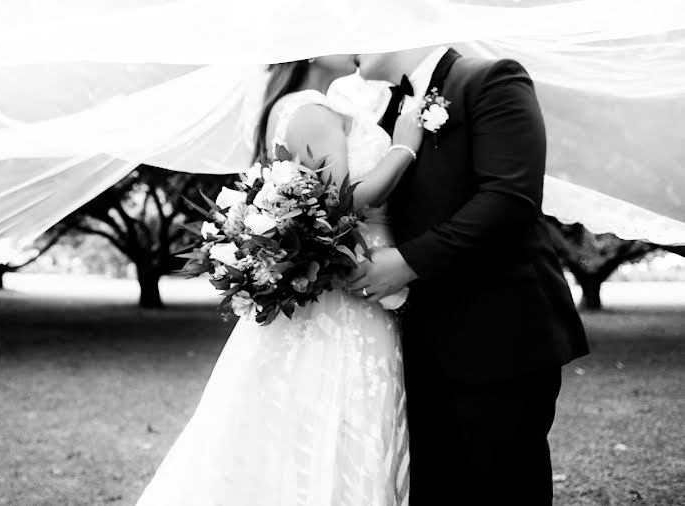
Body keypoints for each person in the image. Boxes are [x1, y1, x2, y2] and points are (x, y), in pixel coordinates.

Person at [136, 54, 424, 506]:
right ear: (307, 45)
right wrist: (404, 147)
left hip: (342, 291)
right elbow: (341, 206)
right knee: (336, 422)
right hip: (344, 309)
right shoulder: (312, 111)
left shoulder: (289, 107)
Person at [348, 46, 590, 505]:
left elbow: (510, 200)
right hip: (420, 341)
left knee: (501, 489)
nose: (351, 42)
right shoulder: (394, 106)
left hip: (499, 334)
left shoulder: (491, 80)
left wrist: (407, 262)